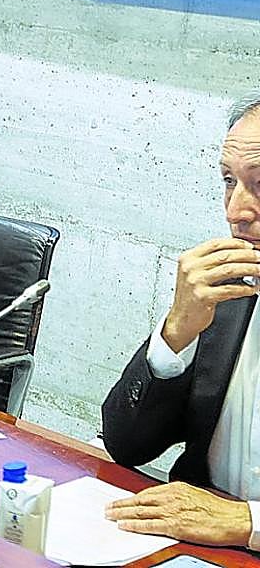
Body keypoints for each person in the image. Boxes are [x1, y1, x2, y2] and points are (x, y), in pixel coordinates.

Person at [102, 94, 260, 549]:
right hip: (200, 547)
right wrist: (178, 330)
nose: (236, 212)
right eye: (229, 182)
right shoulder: (225, 292)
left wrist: (247, 522)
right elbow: (126, 446)